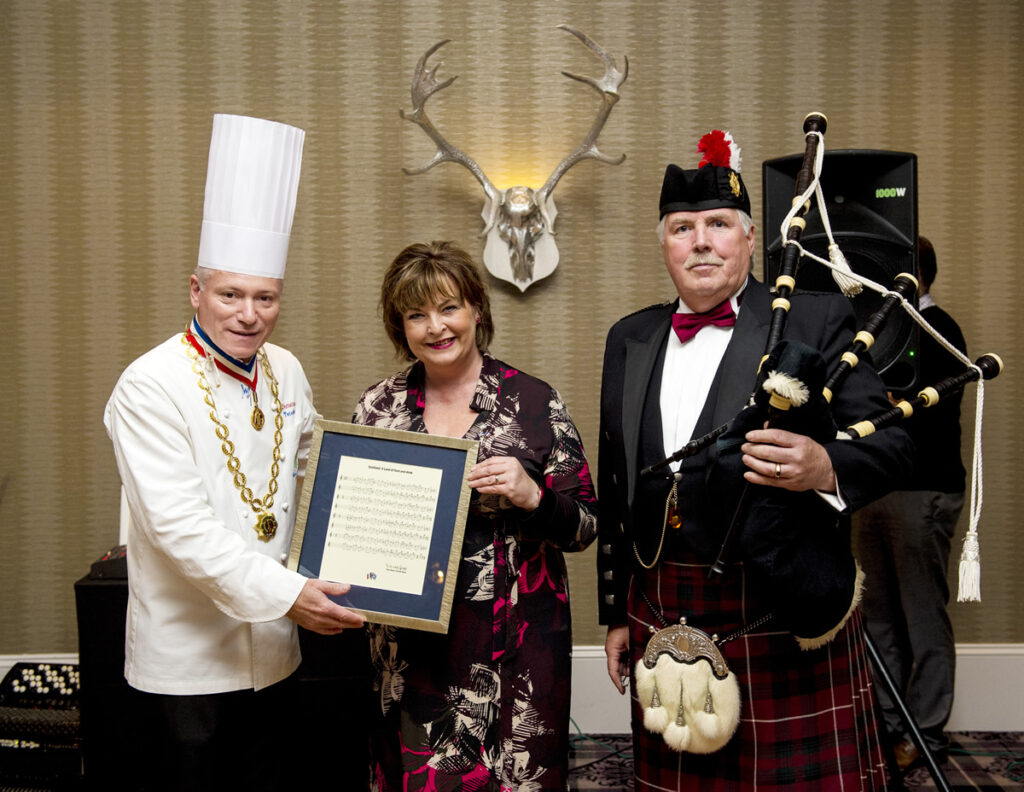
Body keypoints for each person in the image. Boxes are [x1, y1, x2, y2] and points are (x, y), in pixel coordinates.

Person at [598, 130, 914, 789]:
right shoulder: (630, 336)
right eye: (682, 228)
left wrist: (824, 466)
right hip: (662, 603)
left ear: (748, 239)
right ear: (664, 244)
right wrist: (614, 611)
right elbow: (617, 478)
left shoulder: (813, 318)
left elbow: (891, 444)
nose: (702, 241)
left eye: (719, 224)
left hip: (775, 600)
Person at [104, 114, 364, 792]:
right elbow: (180, 531)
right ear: (196, 291)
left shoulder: (287, 368)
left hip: (277, 652)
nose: (248, 314)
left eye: (265, 297)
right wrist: (291, 595)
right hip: (186, 664)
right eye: (229, 294)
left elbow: (314, 483)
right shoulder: (148, 385)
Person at [354, 240, 599, 791]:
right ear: (401, 327)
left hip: (516, 647)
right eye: (416, 314)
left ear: (476, 311)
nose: (436, 327)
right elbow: (355, 521)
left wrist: (532, 495)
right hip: (410, 646)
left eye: (449, 308)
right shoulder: (378, 408)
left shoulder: (535, 403)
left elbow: (586, 525)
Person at [854, 236, 968, 770]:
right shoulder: (877, 332)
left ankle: (927, 734)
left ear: (914, 274)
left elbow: (920, 412)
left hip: (920, 492)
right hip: (872, 491)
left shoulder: (937, 329)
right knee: (876, 618)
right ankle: (890, 725)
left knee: (921, 618)